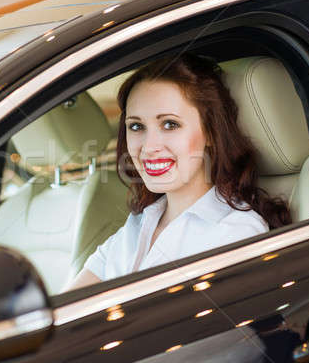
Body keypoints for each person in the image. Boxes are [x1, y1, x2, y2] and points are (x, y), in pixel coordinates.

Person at [66, 53, 291, 290]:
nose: (149, 147)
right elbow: (67, 312)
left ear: (211, 133)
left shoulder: (237, 232)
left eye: (170, 124)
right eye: (136, 126)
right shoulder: (137, 225)